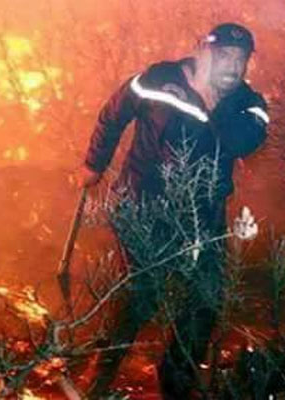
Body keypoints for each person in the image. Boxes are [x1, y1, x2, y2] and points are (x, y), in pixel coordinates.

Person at [79, 22, 269, 398]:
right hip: (143, 204)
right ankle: (99, 379)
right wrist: (93, 165)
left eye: (241, 59)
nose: (233, 67)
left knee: (207, 299)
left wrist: (210, 101)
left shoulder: (249, 105)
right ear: (203, 52)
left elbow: (243, 141)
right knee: (142, 291)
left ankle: (176, 379)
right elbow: (113, 115)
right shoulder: (156, 79)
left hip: (203, 216)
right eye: (224, 56)